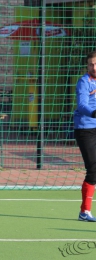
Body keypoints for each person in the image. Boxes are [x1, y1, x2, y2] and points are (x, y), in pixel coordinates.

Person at [74, 50, 96, 222]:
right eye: (91, 64)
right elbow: (82, 105)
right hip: (85, 129)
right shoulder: (84, 82)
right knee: (93, 168)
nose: (93, 67)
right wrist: (94, 113)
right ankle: (84, 212)